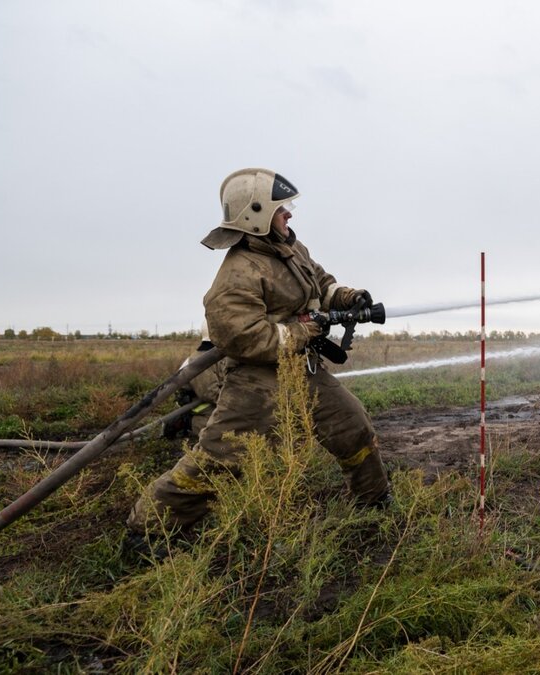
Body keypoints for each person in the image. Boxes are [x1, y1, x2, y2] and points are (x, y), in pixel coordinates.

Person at [127, 168, 389, 540]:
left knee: (352, 427)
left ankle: (374, 504)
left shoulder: (291, 250)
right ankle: (147, 531)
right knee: (222, 460)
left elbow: (321, 283)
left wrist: (348, 297)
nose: (290, 215)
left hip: (302, 368)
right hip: (257, 380)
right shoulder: (237, 274)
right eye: (282, 209)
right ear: (257, 215)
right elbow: (245, 338)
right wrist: (306, 329)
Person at [161, 322, 226, 442]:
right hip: (200, 409)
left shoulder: (215, 356)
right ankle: (187, 423)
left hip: (212, 404)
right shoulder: (199, 360)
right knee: (226, 430)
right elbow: (209, 393)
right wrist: (236, 401)